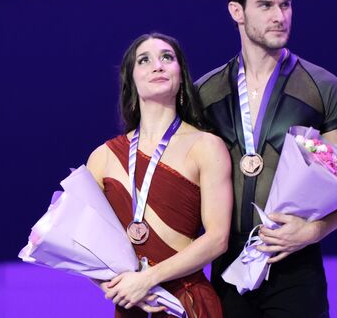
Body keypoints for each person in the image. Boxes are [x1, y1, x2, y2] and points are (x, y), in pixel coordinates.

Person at [195, 0, 337, 318]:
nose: (279, 16)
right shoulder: (205, 94)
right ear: (236, 12)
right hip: (227, 266)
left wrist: (313, 231)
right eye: (266, 5)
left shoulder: (322, 87)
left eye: (286, 5)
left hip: (296, 265)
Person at [87, 32, 232, 317]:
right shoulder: (102, 157)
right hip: (133, 305)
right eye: (145, 60)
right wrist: (115, 286)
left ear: (181, 76)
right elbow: (83, 242)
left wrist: (148, 279)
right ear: (131, 80)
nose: (158, 65)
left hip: (188, 304)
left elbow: (217, 238)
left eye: (167, 57)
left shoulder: (206, 146)